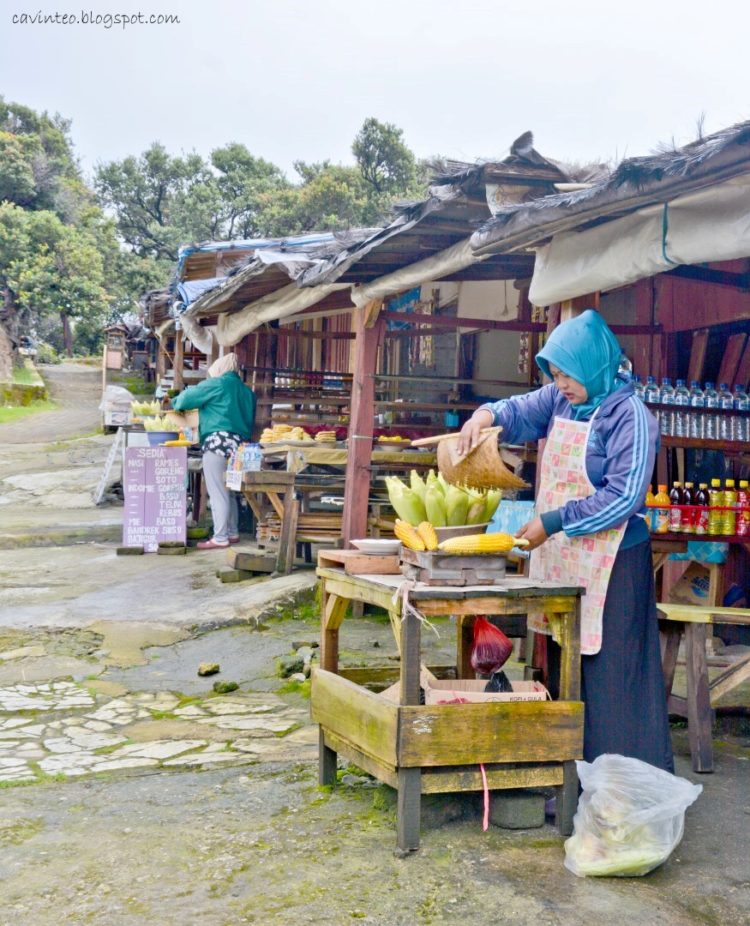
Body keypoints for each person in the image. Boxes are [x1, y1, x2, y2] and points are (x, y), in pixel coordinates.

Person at [458, 309, 673, 772]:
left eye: (568, 375)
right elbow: (516, 411)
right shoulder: (560, 402)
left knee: (609, 678)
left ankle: (618, 788)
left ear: (595, 366)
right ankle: (569, 778)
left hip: (613, 566)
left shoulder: (629, 416)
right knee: (564, 665)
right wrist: (484, 414)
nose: (561, 384)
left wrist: (553, 521)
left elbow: (623, 497)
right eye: (554, 375)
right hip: (563, 563)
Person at [172, 353, 256, 550]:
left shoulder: (218, 384)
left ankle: (220, 537)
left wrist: (174, 401)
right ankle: (233, 532)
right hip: (240, 447)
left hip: (218, 443)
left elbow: (185, 400)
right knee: (232, 490)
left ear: (219, 370)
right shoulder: (247, 392)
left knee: (218, 491)